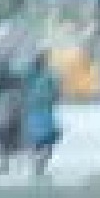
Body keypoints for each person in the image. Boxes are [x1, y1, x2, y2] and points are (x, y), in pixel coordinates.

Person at [19, 51, 64, 180]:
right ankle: (39, 165)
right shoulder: (49, 76)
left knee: (36, 142)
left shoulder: (28, 75)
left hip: (34, 114)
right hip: (43, 114)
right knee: (50, 139)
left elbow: (21, 89)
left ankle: (36, 164)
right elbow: (56, 94)